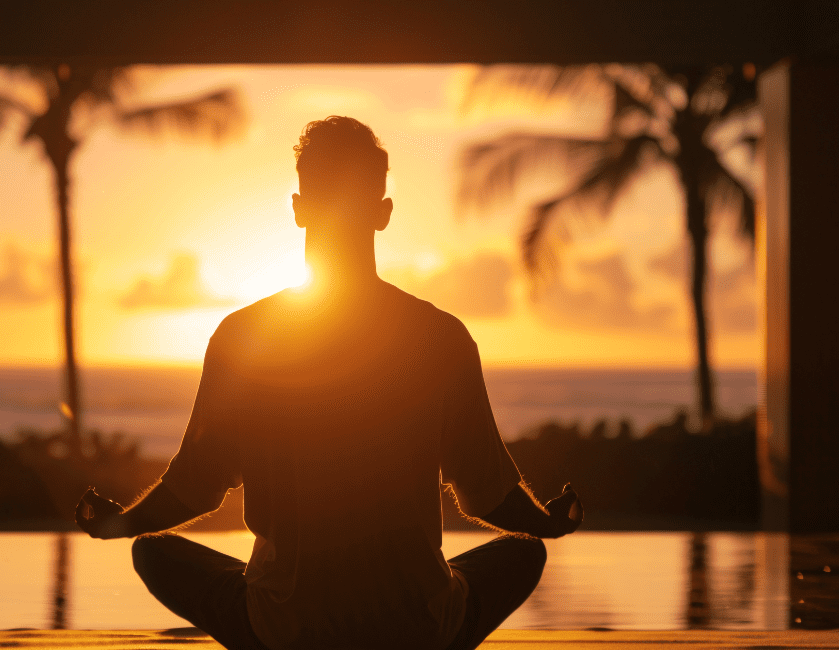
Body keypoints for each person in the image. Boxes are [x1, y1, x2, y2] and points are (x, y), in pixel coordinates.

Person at [75, 116, 583, 650]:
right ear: (382, 214)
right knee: (526, 554)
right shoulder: (442, 338)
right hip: (416, 628)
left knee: (151, 553)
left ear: (299, 209)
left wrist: (123, 524)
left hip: (286, 629)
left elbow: (195, 486)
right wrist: (547, 523)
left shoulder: (242, 337)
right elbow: (488, 496)